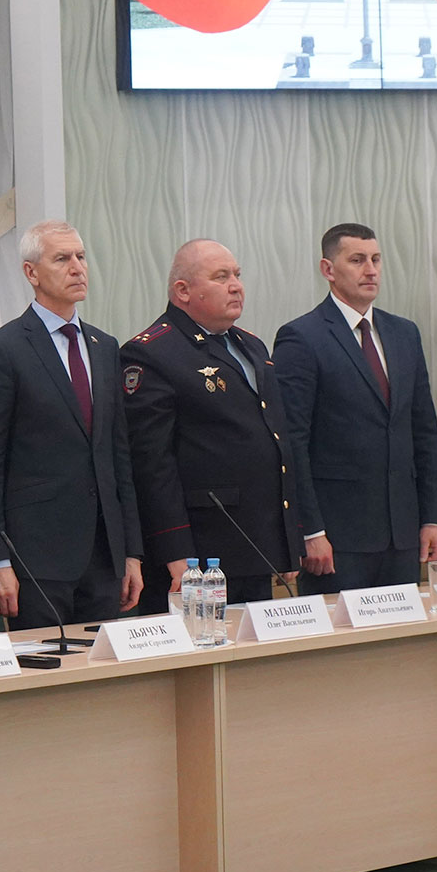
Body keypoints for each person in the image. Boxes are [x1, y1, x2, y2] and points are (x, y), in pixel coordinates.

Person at [0, 220, 141, 629]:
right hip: (36, 557)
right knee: (46, 663)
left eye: (81, 256)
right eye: (62, 259)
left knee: (105, 665)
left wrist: (131, 552)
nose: (77, 267)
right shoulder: (3, 350)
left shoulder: (104, 346)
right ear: (31, 273)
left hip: (104, 554)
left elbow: (118, 456)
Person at [121, 240, 301, 612]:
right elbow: (152, 465)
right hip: (200, 551)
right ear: (183, 291)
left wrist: (288, 541)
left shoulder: (251, 345)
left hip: (257, 540)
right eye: (221, 277)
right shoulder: (153, 352)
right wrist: (176, 552)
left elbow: (276, 441)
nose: (236, 286)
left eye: (237, 275)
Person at [273, 224, 437, 593]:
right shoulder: (302, 337)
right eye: (357, 260)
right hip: (338, 537)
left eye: (376, 260)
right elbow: (292, 443)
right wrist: (310, 531)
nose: (370, 270)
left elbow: (424, 430)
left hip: (402, 532)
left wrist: (433, 518)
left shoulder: (404, 333)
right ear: (328, 269)